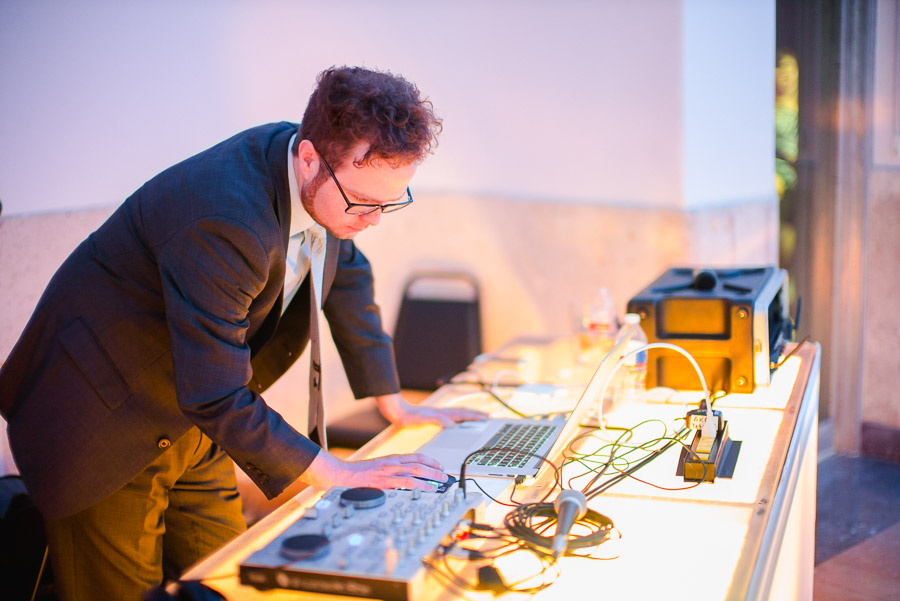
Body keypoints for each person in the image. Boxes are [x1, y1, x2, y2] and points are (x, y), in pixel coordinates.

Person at [0, 65, 483, 600]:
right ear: (309, 160)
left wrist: (393, 402)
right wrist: (337, 473)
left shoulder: (309, 171)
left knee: (227, 580)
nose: (374, 219)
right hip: (104, 422)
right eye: (364, 202)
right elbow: (215, 392)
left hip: (191, 417)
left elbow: (347, 272)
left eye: (391, 202)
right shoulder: (227, 217)